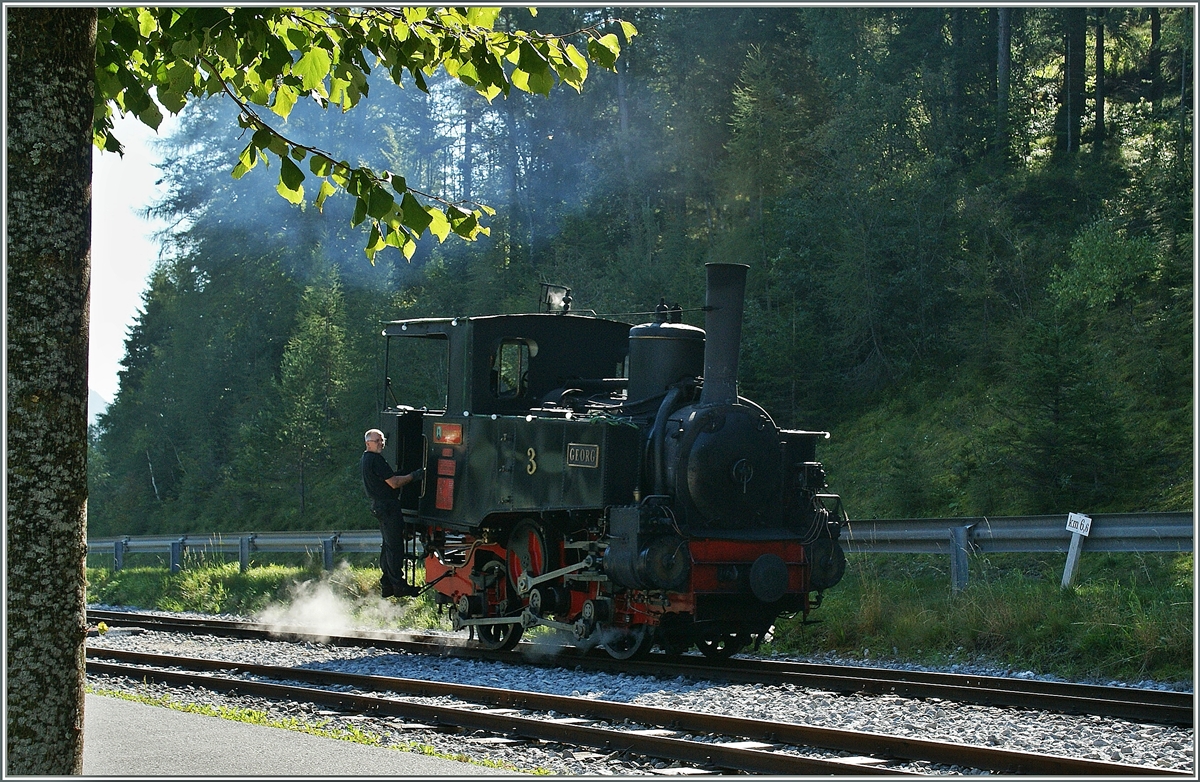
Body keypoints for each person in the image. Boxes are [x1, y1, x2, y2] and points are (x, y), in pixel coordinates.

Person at [361, 428, 424, 598]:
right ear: (368, 443)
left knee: (388, 546)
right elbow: (394, 483)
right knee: (395, 547)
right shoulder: (376, 460)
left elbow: (389, 478)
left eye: (382, 440)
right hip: (388, 507)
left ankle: (387, 583)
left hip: (379, 506)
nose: (381, 444)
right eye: (377, 441)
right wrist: (414, 475)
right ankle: (399, 585)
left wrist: (402, 473)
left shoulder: (366, 459)